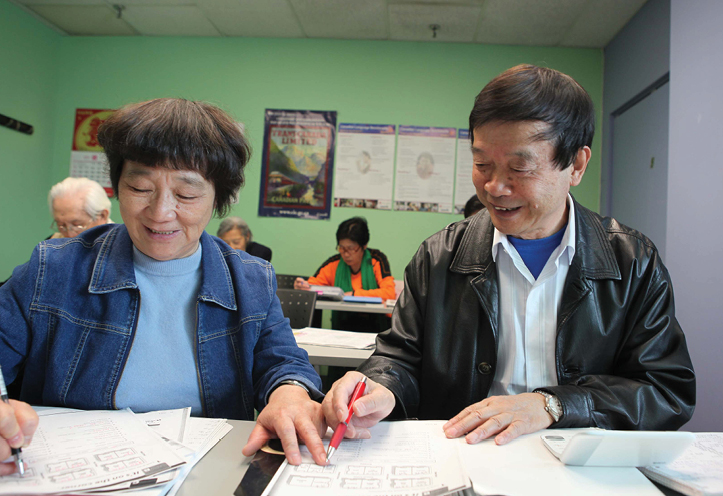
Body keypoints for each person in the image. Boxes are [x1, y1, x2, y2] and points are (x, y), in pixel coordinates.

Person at [322, 65, 695, 447]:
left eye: (520, 166)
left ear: (577, 165)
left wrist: (554, 405)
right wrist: (382, 386)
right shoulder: (439, 257)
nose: (494, 186)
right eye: (482, 164)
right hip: (465, 457)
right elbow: (400, 358)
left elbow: (665, 392)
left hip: (580, 463)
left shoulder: (632, 262)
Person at [0, 98, 328, 471]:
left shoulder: (250, 280)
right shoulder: (53, 269)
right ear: (117, 186)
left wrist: (289, 393)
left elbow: (283, 361)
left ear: (217, 197)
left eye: (186, 194)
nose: (160, 213)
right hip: (69, 472)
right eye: (140, 188)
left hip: (202, 473)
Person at [294, 217, 395, 332]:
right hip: (343, 325)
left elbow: (389, 293)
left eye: (351, 248)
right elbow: (314, 287)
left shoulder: (377, 260)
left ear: (364, 245)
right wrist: (302, 286)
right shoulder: (334, 263)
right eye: (342, 248)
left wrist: (354, 294)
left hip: (376, 325)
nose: (346, 254)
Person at [48, 177, 112, 238]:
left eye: (76, 225)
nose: (70, 235)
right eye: (61, 225)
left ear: (102, 216)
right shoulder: (51, 244)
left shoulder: (118, 246)